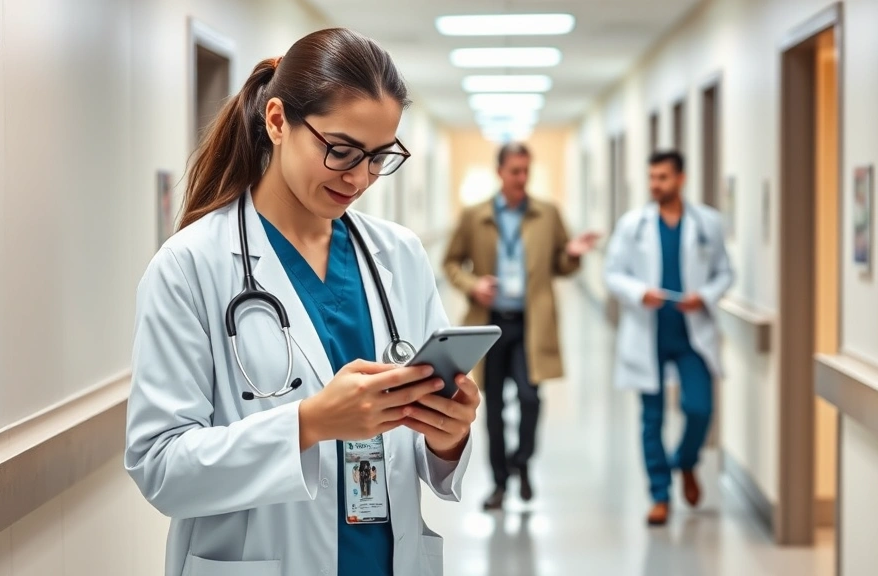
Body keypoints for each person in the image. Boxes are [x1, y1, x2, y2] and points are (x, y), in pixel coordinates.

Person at [124, 28, 479, 576]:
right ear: (277, 122)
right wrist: (309, 423)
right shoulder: (190, 266)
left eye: (379, 157)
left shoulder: (400, 255)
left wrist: (447, 438)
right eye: (340, 150)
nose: (359, 178)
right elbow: (160, 467)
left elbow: (415, 447)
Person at [443, 142, 600, 511]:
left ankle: (522, 461)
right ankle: (499, 483)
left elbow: (561, 265)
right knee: (493, 407)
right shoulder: (475, 216)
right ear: (500, 172)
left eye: (526, 171)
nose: (521, 178)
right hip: (490, 325)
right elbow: (451, 263)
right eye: (515, 171)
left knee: (530, 398)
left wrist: (572, 255)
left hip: (532, 324)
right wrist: (473, 285)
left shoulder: (547, 214)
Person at [603, 150, 734, 526]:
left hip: (692, 335)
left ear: (680, 179)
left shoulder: (707, 223)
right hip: (649, 333)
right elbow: (612, 273)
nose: (655, 185)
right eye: (652, 177)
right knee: (652, 418)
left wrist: (704, 296)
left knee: (700, 409)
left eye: (662, 177)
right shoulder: (633, 225)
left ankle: (686, 462)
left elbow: (725, 272)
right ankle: (659, 494)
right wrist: (639, 292)